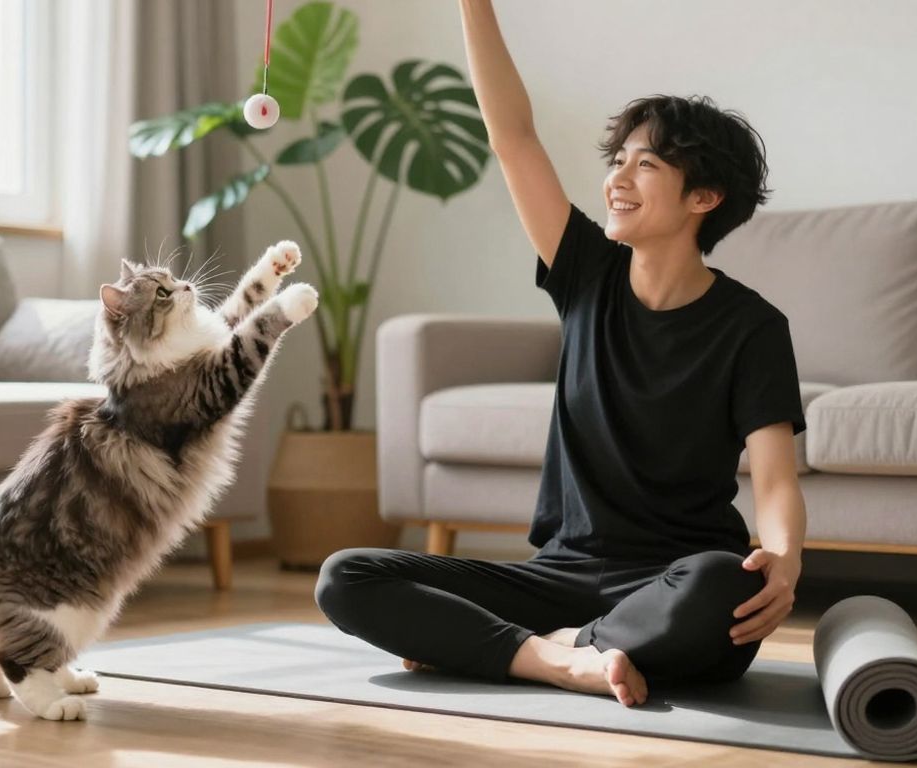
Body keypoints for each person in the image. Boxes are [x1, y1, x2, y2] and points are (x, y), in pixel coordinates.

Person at [315, 0, 808, 708]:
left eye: (647, 164)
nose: (617, 178)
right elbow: (512, 136)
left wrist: (785, 560)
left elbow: (776, 479)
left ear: (703, 195)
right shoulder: (586, 270)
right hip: (554, 577)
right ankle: (564, 659)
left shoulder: (753, 327)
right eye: (618, 161)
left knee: (724, 584)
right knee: (347, 576)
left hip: (671, 583)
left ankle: (534, 648)